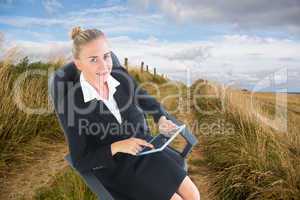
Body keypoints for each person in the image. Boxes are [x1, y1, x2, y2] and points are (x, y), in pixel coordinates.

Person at [54, 26, 200, 200]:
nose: (104, 66)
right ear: (78, 63)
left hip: (145, 150)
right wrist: (118, 146)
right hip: (118, 167)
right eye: (93, 59)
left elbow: (146, 100)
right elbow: (80, 161)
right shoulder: (71, 104)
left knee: (193, 195)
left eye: (106, 56)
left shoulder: (119, 77)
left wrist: (159, 118)